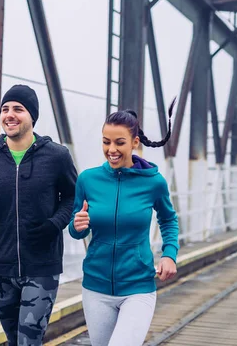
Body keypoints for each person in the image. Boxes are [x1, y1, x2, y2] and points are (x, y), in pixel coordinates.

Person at [0, 84, 77, 345]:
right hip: (1, 266)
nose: (9, 114)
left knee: (29, 341)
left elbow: (74, 198)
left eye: (18, 109)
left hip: (42, 266)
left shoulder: (57, 156)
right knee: (14, 340)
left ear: (32, 116)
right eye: (5, 109)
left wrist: (55, 224)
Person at [69, 101, 180, 346]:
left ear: (134, 143)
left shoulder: (154, 183)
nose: (111, 149)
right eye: (106, 142)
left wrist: (169, 254)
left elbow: (168, 219)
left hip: (138, 286)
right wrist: (77, 226)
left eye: (119, 142)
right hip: (96, 288)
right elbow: (77, 229)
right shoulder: (88, 180)